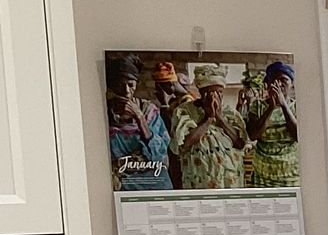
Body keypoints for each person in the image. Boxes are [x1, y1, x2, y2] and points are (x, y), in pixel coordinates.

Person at [174, 64, 247, 190]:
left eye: (219, 92)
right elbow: (183, 144)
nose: (214, 97)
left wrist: (219, 118)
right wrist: (208, 118)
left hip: (228, 180)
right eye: (208, 93)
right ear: (201, 93)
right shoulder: (184, 111)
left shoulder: (230, 113)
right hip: (198, 179)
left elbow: (240, 143)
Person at [105, 55, 172, 190]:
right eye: (120, 85)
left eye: (130, 85)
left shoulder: (149, 111)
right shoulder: (105, 113)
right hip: (123, 184)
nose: (126, 91)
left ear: (136, 85)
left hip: (154, 181)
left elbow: (161, 154)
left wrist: (140, 118)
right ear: (112, 86)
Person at [244, 60, 300, 189]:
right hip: (263, 175)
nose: (279, 84)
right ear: (268, 84)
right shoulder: (257, 106)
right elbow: (253, 135)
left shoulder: (296, 107)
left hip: (290, 174)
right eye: (274, 80)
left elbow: (298, 136)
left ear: (291, 84)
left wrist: (284, 105)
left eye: (284, 80)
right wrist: (271, 108)